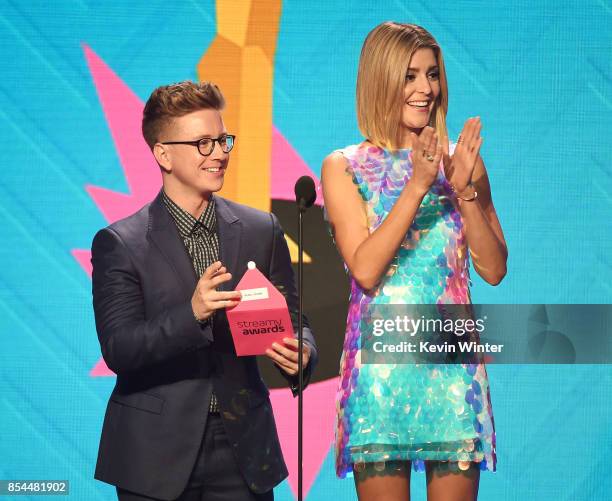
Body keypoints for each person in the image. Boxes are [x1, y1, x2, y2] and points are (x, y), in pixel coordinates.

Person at [91, 81, 317, 501]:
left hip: (244, 448)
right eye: (202, 143)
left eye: (222, 140)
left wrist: (302, 350)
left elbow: (295, 319)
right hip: (155, 453)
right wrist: (191, 313)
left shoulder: (259, 229)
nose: (219, 153)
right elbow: (119, 348)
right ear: (163, 153)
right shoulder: (121, 243)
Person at [321, 22, 507, 501]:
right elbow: (365, 269)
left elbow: (493, 269)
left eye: (432, 74)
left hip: (452, 368)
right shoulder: (343, 166)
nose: (426, 89)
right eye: (410, 76)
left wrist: (463, 189)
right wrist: (419, 184)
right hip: (381, 373)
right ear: (381, 79)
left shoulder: (459, 161)